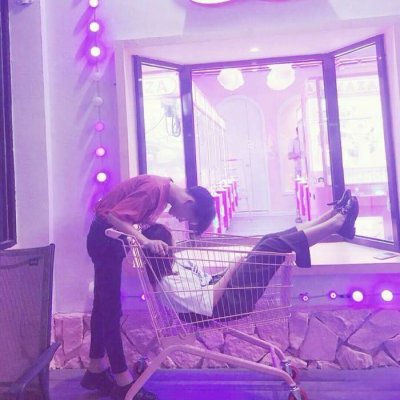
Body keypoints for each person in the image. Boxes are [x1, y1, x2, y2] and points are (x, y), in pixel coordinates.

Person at [81, 174, 216, 400]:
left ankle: (96, 369)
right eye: (188, 218)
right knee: (111, 310)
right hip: (106, 240)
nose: (180, 219)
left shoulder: (161, 191)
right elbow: (114, 216)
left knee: (103, 308)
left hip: (107, 239)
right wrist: (146, 241)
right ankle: (123, 382)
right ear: (189, 202)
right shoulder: (155, 189)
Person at [140, 190, 358, 322]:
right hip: (228, 304)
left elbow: (206, 283)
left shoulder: (177, 264)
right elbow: (209, 301)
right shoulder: (167, 284)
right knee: (271, 245)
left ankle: (333, 216)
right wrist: (232, 269)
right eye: (171, 243)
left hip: (226, 292)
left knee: (267, 240)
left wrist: (228, 271)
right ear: (162, 250)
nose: (175, 245)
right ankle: (338, 223)